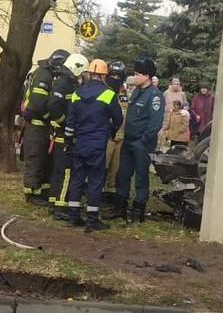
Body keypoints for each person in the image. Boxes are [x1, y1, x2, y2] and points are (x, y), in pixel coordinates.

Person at [64, 59, 124, 231]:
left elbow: (70, 121)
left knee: (77, 179)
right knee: (96, 181)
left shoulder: (77, 93)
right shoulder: (109, 94)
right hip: (97, 143)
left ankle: (73, 216)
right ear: (104, 76)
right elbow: (118, 119)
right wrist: (110, 131)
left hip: (80, 142)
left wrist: (68, 141)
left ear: (89, 74)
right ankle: (92, 218)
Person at [114, 57, 162, 223]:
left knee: (141, 177)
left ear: (147, 76)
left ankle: (138, 211)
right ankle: (120, 207)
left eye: (137, 74)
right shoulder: (136, 91)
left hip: (142, 143)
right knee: (123, 175)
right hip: (129, 140)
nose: (135, 77)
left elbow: (155, 123)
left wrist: (143, 141)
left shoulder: (155, 96)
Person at [20, 49, 69, 206]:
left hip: (42, 126)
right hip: (37, 125)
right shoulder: (43, 75)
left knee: (44, 160)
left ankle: (42, 191)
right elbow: (38, 103)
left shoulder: (47, 74)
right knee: (35, 158)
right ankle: (31, 193)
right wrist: (51, 117)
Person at [49, 54, 88, 220]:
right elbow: (53, 105)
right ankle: (61, 207)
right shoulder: (64, 84)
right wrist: (65, 122)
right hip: (63, 135)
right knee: (66, 172)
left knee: (58, 171)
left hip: (61, 135)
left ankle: (53, 202)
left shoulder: (66, 83)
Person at [103, 61, 129, 216]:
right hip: (107, 135)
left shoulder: (124, 93)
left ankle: (110, 193)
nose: (115, 78)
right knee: (102, 165)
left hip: (121, 136)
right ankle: (97, 191)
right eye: (113, 75)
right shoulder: (105, 90)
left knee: (116, 168)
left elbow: (126, 113)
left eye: (118, 76)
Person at [161, 76, 188, 148]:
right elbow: (161, 103)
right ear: (171, 84)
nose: (176, 85)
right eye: (174, 84)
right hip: (167, 118)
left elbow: (185, 104)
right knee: (165, 137)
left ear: (179, 85)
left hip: (178, 119)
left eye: (177, 84)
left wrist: (185, 110)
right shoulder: (166, 93)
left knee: (176, 138)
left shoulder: (182, 94)